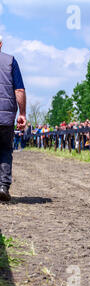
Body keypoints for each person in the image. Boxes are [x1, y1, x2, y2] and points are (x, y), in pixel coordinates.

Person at [0, 35, 26, 202]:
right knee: (4, 150)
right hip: (6, 116)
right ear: (0, 43)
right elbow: (19, 91)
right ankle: (3, 186)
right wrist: (22, 113)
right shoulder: (10, 61)